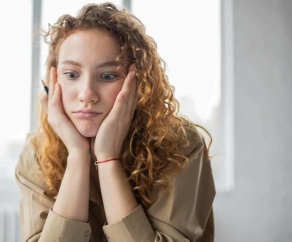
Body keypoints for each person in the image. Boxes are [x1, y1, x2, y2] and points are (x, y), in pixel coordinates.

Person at [15, 2, 215, 242]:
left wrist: (108, 158)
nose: (87, 93)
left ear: (137, 84)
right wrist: (78, 155)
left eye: (108, 76)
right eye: (71, 75)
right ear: (53, 82)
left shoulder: (181, 146)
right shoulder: (38, 153)